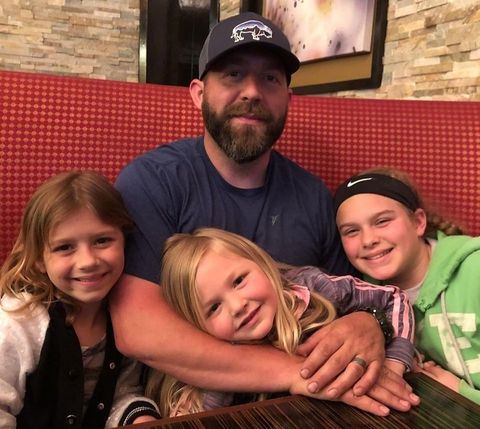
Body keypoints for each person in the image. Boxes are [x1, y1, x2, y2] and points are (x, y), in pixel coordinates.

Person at [111, 12, 419, 414]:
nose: (252, 92)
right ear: (198, 93)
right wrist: (296, 373)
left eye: (270, 78)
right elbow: (139, 330)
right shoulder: (152, 181)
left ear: (288, 99)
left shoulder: (312, 196)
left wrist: (370, 325)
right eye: (233, 75)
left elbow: (353, 299)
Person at [145, 228, 415, 417]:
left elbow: (394, 298)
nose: (238, 306)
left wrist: (393, 367)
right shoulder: (215, 357)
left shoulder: (311, 287)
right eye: (214, 307)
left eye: (239, 281)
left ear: (262, 264)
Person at [0, 171, 160, 428]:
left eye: (102, 241)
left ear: (124, 242)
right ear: (40, 258)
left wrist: (139, 416)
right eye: (64, 247)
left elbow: (122, 392)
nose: (87, 261)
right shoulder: (18, 321)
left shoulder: (125, 314)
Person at [334, 167, 480, 405]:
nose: (368, 240)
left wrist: (461, 393)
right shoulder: (363, 299)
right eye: (352, 231)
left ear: (418, 222)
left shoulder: (475, 270)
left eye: (382, 221)